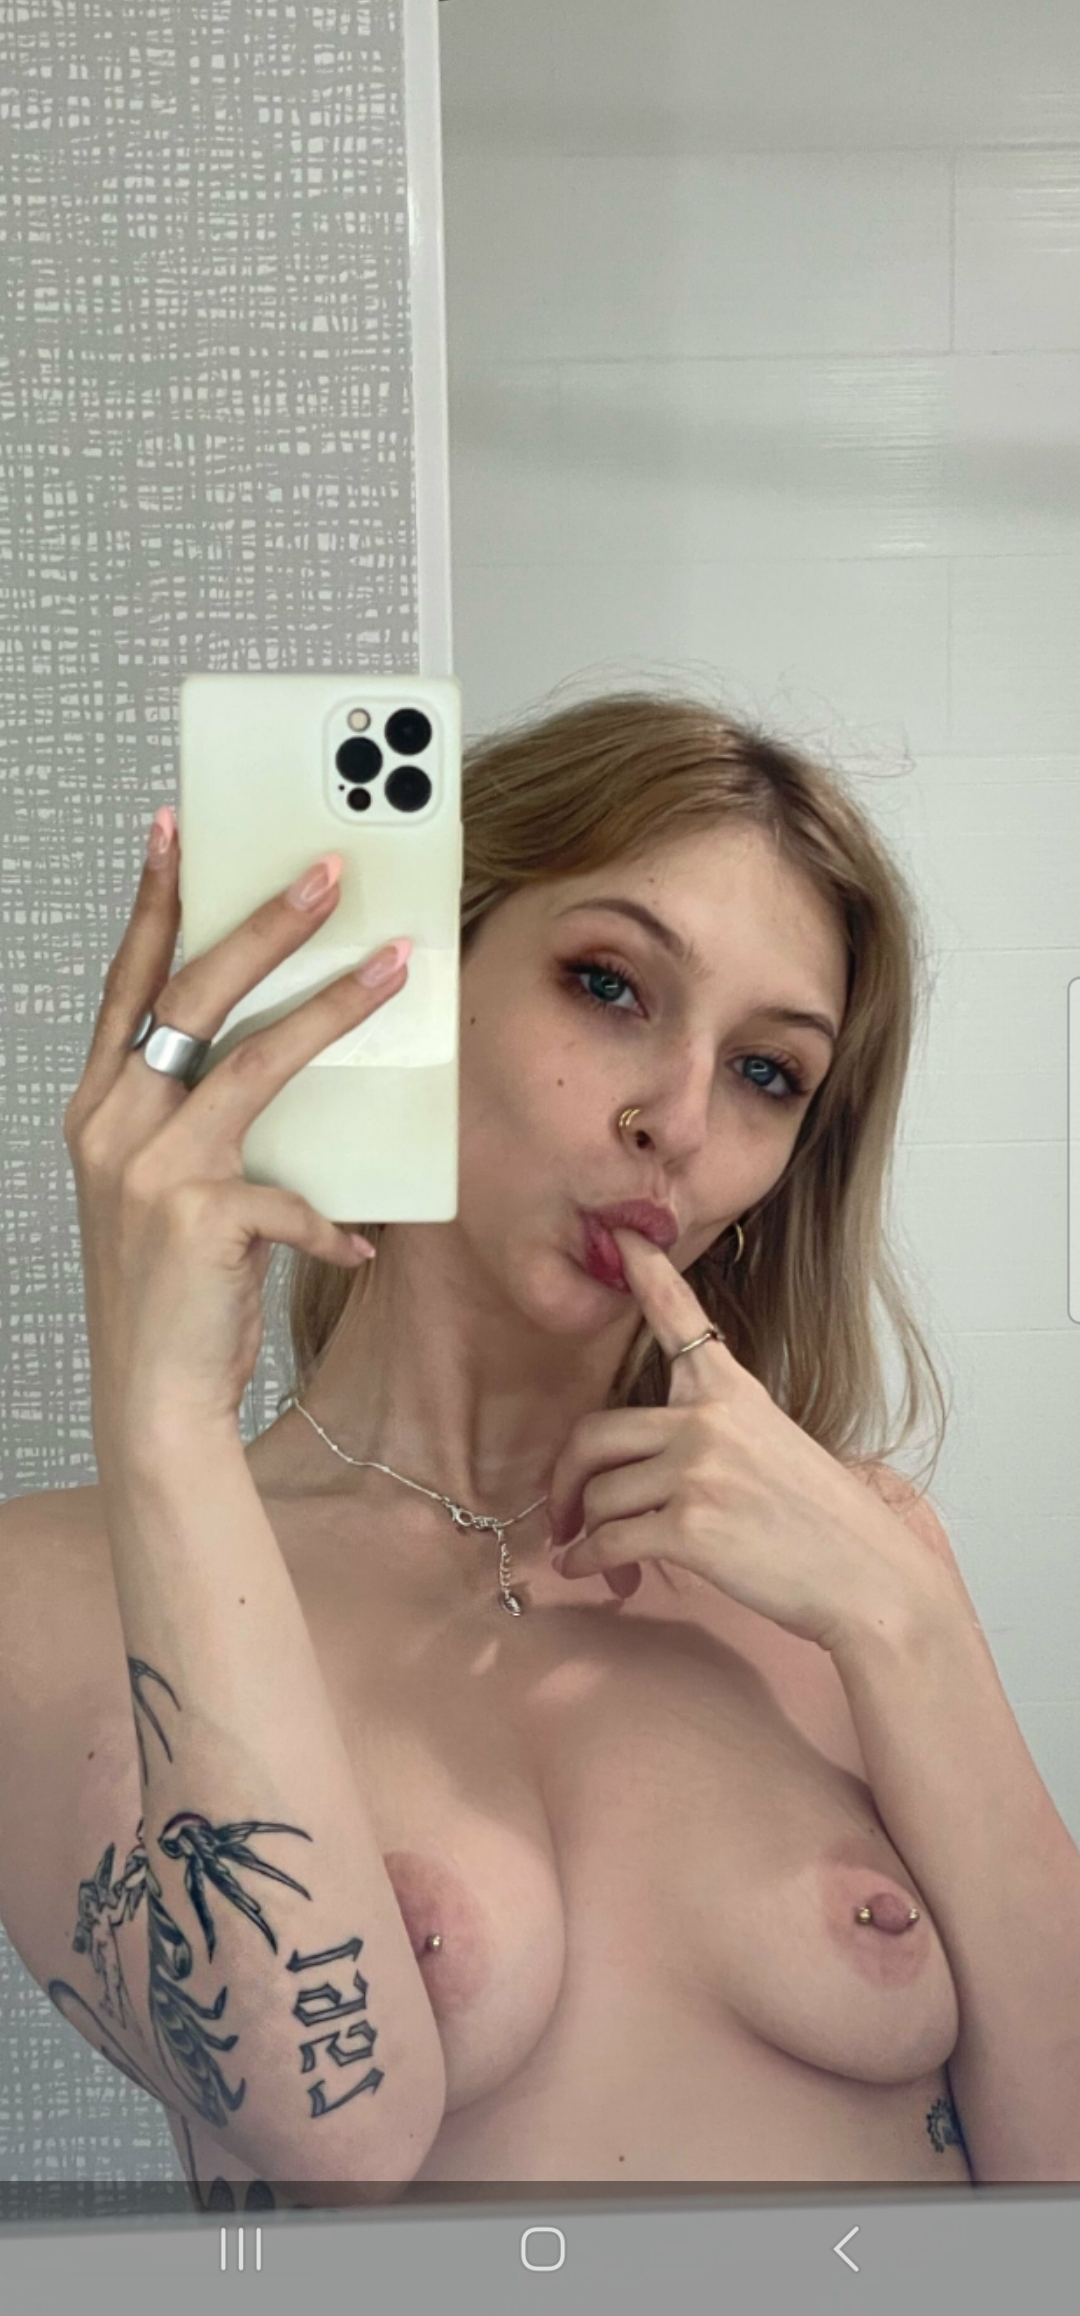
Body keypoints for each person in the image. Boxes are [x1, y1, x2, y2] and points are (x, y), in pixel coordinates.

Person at [2, 690, 1079, 2208]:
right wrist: (164, 1416)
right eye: (609, 985)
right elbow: (336, 2130)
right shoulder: (49, 1589)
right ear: (411, 990)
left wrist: (906, 1620)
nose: (679, 1118)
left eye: (768, 1072)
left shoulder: (859, 1566)